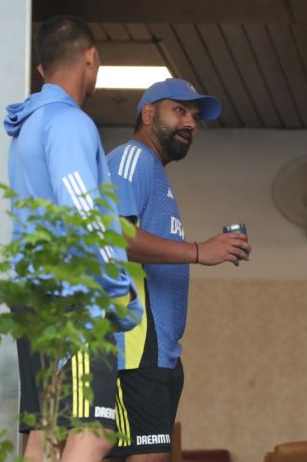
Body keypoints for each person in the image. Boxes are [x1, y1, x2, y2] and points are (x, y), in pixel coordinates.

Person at [4, 15, 142, 462]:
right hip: (73, 296)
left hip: (34, 294)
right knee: (92, 431)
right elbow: (83, 212)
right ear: (91, 58)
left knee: (47, 435)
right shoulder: (69, 123)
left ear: (42, 68)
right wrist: (119, 291)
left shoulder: (29, 125)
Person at [105, 78, 251, 461]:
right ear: (148, 114)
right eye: (180, 110)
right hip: (134, 350)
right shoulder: (132, 158)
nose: (191, 123)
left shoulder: (155, 173)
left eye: (196, 117)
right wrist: (199, 251)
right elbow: (116, 233)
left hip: (159, 353)